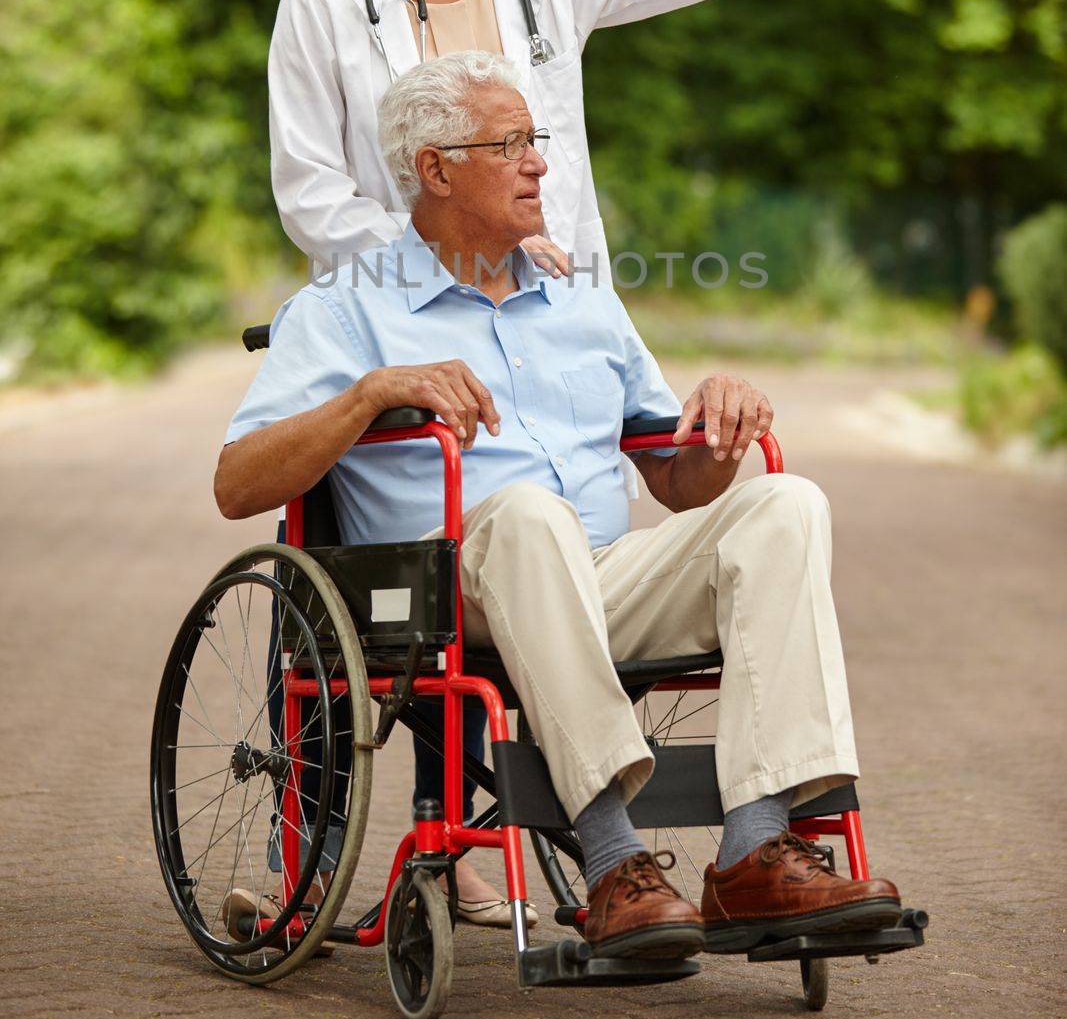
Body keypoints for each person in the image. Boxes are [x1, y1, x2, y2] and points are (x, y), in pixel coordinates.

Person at [265, 0, 968, 913]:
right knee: (504, 521)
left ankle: (751, 844)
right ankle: (579, 853)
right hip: (407, 329)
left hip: (554, 312)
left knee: (748, 504)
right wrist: (434, 265)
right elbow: (309, 191)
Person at [217, 54, 902, 959]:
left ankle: (755, 852)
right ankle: (614, 861)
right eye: (509, 145)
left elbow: (674, 478)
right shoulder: (345, 309)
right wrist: (370, 394)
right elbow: (236, 483)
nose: (539, 162)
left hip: (597, 578)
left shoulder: (579, 295)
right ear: (435, 169)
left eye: (534, 141)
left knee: (784, 501)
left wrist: (717, 429)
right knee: (524, 513)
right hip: (444, 587)